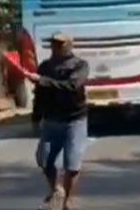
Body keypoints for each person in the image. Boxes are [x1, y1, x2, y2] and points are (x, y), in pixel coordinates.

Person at [26, 32, 89, 210]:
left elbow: (72, 86)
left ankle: (68, 199)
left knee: (72, 162)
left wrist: (43, 81)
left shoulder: (80, 66)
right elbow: (39, 94)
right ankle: (56, 190)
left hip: (75, 119)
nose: (56, 47)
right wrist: (36, 116)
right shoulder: (45, 66)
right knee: (44, 159)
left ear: (69, 45)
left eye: (60, 44)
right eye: (54, 44)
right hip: (52, 119)